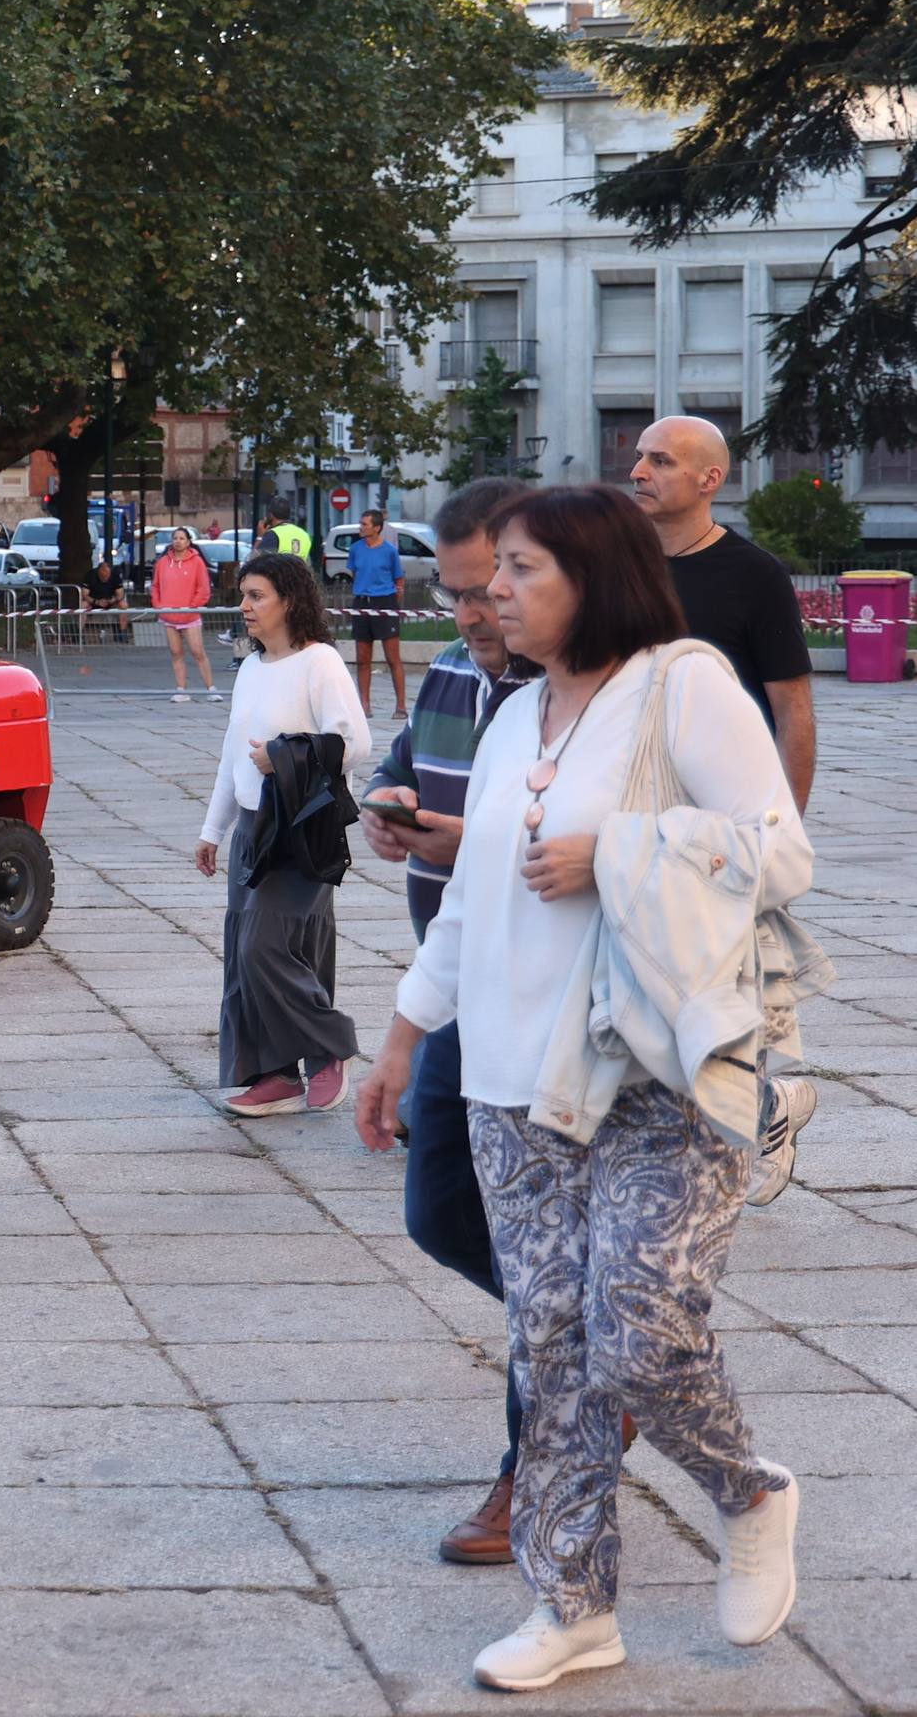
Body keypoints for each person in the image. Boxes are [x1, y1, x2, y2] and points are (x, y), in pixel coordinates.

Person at [355, 485, 807, 1694]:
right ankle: (570, 1607)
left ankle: (746, 1491)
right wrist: (401, 1038)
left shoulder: (683, 687)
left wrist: (615, 851)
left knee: (641, 1335)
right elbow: (471, 900)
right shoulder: (515, 717)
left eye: (518, 570)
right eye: (491, 571)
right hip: (510, 1082)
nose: (490, 592)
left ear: (591, 576)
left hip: (654, 1069)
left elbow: (780, 850)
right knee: (548, 1350)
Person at [354, 477, 539, 1565]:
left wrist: (465, 842)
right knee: (438, 1216)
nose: (474, 612)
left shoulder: (578, 692)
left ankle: (535, 1463)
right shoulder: (453, 675)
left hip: (546, 1001)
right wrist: (385, 812)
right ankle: (599, 1357)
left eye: (491, 588)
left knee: (528, 1230)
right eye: (460, 592)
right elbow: (396, 770)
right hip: (453, 983)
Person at [627, 414, 820, 1202]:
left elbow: (793, 709)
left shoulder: (753, 575)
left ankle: (763, 1107)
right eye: (639, 457)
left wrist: (779, 830)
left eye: (660, 460)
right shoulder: (619, 567)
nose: (638, 471)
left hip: (720, 825)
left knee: (726, 992)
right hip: (631, 818)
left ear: (710, 479)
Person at [197, 551, 370, 1116]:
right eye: (243, 596)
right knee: (247, 954)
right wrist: (213, 829)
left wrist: (284, 755)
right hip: (252, 830)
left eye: (256, 596)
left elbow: (355, 744)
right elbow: (231, 755)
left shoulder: (321, 662)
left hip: (301, 829)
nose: (244, 606)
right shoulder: (250, 668)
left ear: (289, 601)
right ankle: (275, 1076)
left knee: (264, 948)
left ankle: (331, 1045)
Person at [343, 508, 409, 717]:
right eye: (361, 523)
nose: (361, 527)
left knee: (392, 657)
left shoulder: (389, 551)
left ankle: (401, 706)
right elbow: (355, 573)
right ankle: (364, 705)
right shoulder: (355, 549)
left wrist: (393, 602)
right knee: (362, 658)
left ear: (377, 527)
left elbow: (399, 579)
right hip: (362, 602)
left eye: (365, 524)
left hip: (385, 602)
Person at [152, 527, 219, 701]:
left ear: (188, 542)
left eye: (182, 538)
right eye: (175, 538)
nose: (178, 541)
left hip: (190, 616)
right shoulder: (163, 563)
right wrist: (159, 606)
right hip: (168, 615)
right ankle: (181, 689)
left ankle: (211, 689)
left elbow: (203, 589)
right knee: (176, 652)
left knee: (198, 651)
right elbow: (155, 586)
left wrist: (192, 607)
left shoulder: (197, 562)